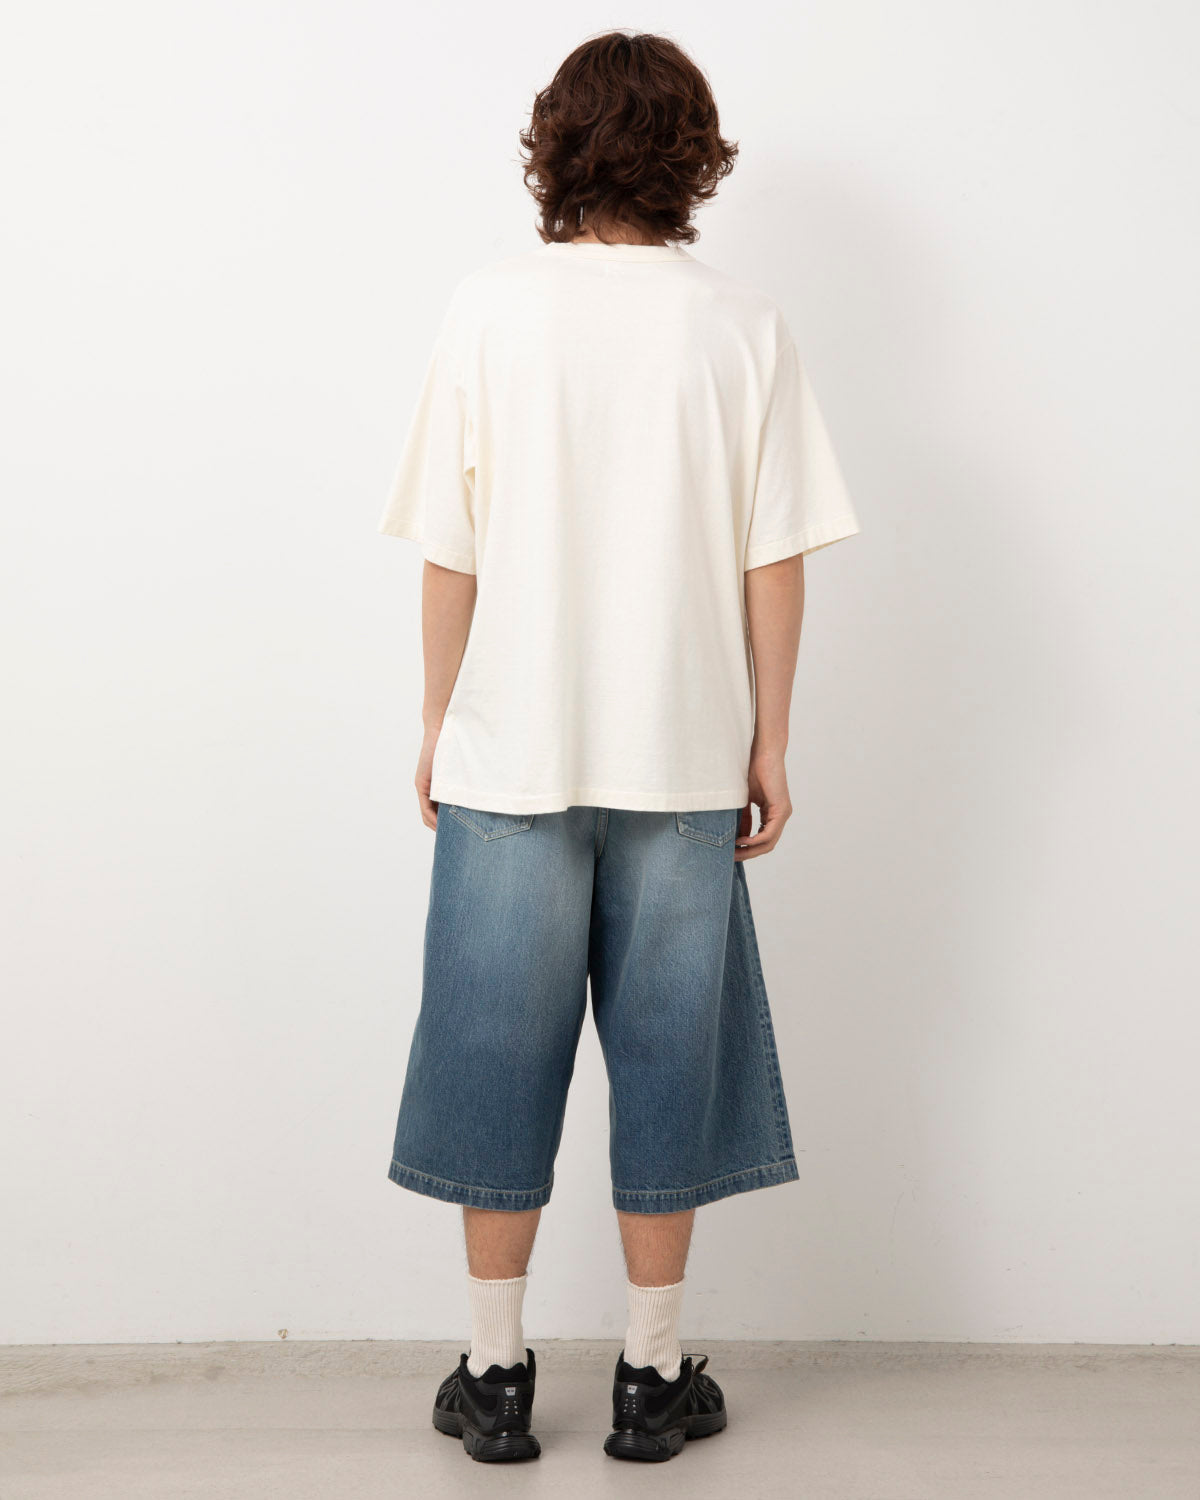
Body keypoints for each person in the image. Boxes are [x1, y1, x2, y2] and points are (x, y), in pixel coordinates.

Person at [377, 29, 860, 1465]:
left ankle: (495, 1374)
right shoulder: (741, 325)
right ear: (693, 155)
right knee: (670, 1062)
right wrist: (772, 740)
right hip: (684, 755)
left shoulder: (489, 309)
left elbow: (450, 550)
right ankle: (651, 1380)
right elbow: (775, 555)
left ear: (557, 144)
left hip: (512, 753)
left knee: (493, 1053)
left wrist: (437, 720)